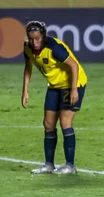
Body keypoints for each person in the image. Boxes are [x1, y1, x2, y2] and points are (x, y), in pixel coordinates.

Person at [22, 21, 88, 175]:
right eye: (32, 39)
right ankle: (49, 165)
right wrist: (25, 91)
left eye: (38, 38)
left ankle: (70, 166)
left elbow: (74, 66)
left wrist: (74, 90)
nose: (35, 42)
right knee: (48, 124)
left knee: (65, 122)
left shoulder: (54, 47)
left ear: (43, 36)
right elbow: (28, 68)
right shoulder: (27, 48)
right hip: (54, 85)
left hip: (73, 83)